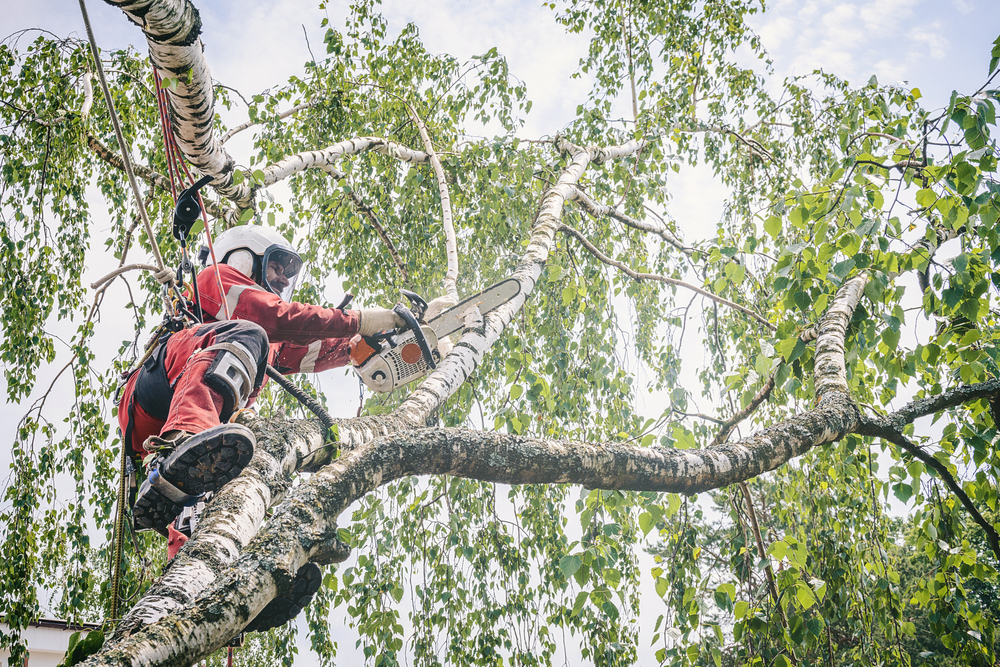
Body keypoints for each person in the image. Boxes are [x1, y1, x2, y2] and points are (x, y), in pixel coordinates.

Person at [115, 224, 411, 633]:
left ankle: (219, 582)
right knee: (247, 337)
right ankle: (180, 443)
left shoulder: (266, 338)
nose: (283, 280)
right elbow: (276, 317)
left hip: (192, 424)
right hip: (158, 391)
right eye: (276, 268)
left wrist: (376, 341)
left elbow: (310, 347)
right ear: (243, 256)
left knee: (230, 479)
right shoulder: (216, 282)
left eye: (288, 275)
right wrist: (358, 319)